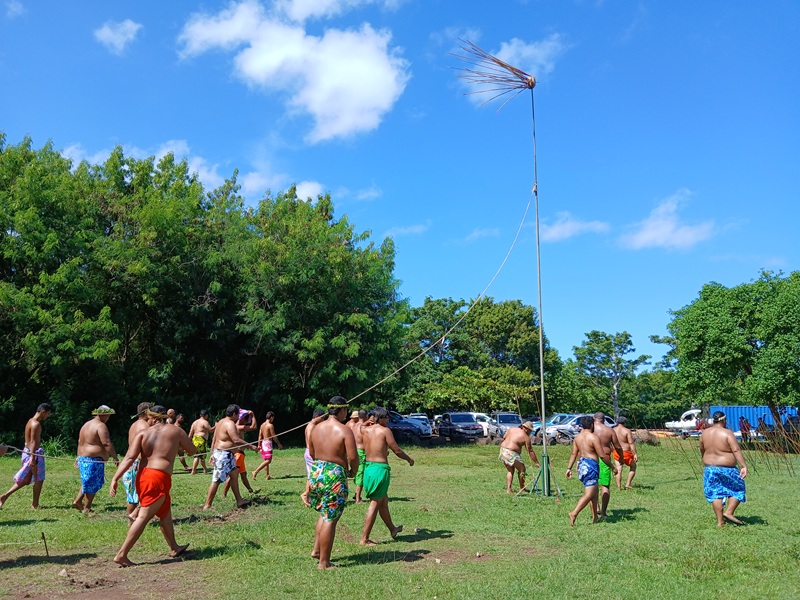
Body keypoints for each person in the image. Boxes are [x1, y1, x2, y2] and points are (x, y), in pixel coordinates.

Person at [110, 405, 196, 566]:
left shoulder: (143, 434)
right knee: (143, 517)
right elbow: (192, 450)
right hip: (158, 477)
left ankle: (174, 547)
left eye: (148, 418)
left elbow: (129, 458)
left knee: (165, 513)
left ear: (153, 417)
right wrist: (177, 445)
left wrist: (115, 478)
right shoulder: (175, 431)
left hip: (143, 477)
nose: (148, 421)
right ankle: (122, 554)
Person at [308, 398, 358, 570]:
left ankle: (316, 551)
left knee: (324, 512)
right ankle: (324, 563)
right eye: (346, 410)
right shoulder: (344, 430)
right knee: (331, 518)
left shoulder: (315, 429)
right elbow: (353, 457)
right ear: (341, 411)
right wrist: (353, 471)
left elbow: (312, 452)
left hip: (317, 471)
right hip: (334, 474)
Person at [360, 406, 413, 546]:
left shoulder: (364, 430)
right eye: (387, 417)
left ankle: (393, 529)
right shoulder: (385, 431)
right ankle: (364, 538)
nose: (388, 420)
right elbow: (396, 450)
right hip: (380, 470)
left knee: (383, 500)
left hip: (369, 468)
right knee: (375, 502)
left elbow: (360, 427)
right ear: (381, 418)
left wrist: (366, 422)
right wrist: (409, 459)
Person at [565, 416, 617, 526]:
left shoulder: (577, 438)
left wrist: (569, 468)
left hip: (583, 465)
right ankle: (574, 513)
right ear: (592, 425)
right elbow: (602, 455)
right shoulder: (593, 437)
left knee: (594, 493)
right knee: (589, 494)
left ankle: (595, 518)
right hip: (591, 466)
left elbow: (574, 454)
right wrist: (613, 467)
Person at [203, 404, 256, 510]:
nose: (238, 417)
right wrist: (251, 446)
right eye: (238, 415)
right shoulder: (229, 423)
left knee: (234, 474)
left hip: (227, 454)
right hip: (224, 455)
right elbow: (236, 440)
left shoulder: (220, 422)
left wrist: (213, 453)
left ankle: (239, 501)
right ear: (234, 414)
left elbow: (214, 439)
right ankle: (207, 505)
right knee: (217, 480)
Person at [700, 411, 748, 526]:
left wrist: (705, 460)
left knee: (716, 493)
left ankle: (720, 522)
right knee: (738, 489)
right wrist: (744, 465)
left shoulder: (704, 433)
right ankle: (729, 512)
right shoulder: (727, 433)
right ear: (723, 420)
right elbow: (736, 450)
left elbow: (702, 449)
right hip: (728, 468)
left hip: (710, 468)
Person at [0, 403, 53, 509]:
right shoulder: (36, 424)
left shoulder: (30, 421)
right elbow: (33, 441)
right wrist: (33, 458)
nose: (48, 416)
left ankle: (4, 497)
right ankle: (35, 504)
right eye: (48, 414)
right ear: (43, 412)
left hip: (27, 452)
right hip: (33, 454)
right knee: (39, 479)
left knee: (25, 480)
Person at [73, 405, 119, 514]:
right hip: (93, 460)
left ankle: (78, 501)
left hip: (84, 457)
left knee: (87, 481)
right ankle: (87, 508)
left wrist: (78, 456)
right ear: (103, 414)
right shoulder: (101, 426)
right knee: (91, 483)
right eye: (108, 415)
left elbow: (80, 442)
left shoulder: (86, 424)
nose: (108, 418)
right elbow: (106, 443)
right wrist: (115, 457)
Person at [122, 402, 152, 519]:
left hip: (131, 462)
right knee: (135, 494)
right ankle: (133, 520)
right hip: (137, 463)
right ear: (146, 413)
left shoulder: (134, 425)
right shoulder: (144, 426)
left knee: (132, 494)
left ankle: (133, 519)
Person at [593, 412, 624, 519]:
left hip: (591, 458)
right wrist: (621, 457)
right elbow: (618, 447)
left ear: (594, 418)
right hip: (605, 458)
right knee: (605, 486)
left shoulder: (589, 430)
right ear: (605, 419)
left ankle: (595, 508)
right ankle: (603, 513)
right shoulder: (609, 430)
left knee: (592, 484)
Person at [498, 420, 541, 494]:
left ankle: (509, 490)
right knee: (522, 469)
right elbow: (530, 451)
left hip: (503, 450)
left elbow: (504, 437)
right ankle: (522, 488)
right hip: (511, 453)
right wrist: (537, 463)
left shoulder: (511, 429)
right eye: (530, 431)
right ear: (526, 428)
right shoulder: (525, 437)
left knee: (510, 470)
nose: (530, 432)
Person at [300, 408, 326, 507]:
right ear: (316, 417)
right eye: (322, 418)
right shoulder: (311, 426)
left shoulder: (313, 425)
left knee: (311, 476)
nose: (323, 420)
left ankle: (308, 497)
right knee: (315, 476)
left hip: (310, 453)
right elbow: (312, 443)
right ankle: (306, 494)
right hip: (311, 453)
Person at [252, 411, 283, 481]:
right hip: (268, 443)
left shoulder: (262, 425)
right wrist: (279, 444)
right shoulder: (270, 425)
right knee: (268, 460)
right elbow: (274, 436)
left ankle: (267, 475)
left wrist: (259, 445)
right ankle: (255, 471)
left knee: (266, 460)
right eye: (273, 418)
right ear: (271, 417)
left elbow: (260, 435)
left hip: (263, 443)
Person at [612, 416, 638, 491]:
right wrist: (635, 453)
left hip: (616, 451)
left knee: (619, 470)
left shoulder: (613, 430)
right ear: (625, 423)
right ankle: (628, 484)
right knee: (633, 467)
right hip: (626, 452)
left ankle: (619, 488)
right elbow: (631, 443)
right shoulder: (627, 431)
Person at [188, 409, 215, 475]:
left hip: (195, 439)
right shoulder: (205, 422)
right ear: (206, 416)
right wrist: (216, 426)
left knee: (201, 456)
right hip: (201, 440)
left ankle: (205, 469)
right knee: (198, 456)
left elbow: (190, 433)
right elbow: (211, 430)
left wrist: (188, 442)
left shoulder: (195, 422)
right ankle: (193, 471)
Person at [353, 409, 369, 503]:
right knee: (360, 474)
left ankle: (356, 494)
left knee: (358, 473)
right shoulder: (363, 427)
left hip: (355, 450)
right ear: (366, 416)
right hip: (361, 452)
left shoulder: (353, 425)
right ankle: (358, 498)